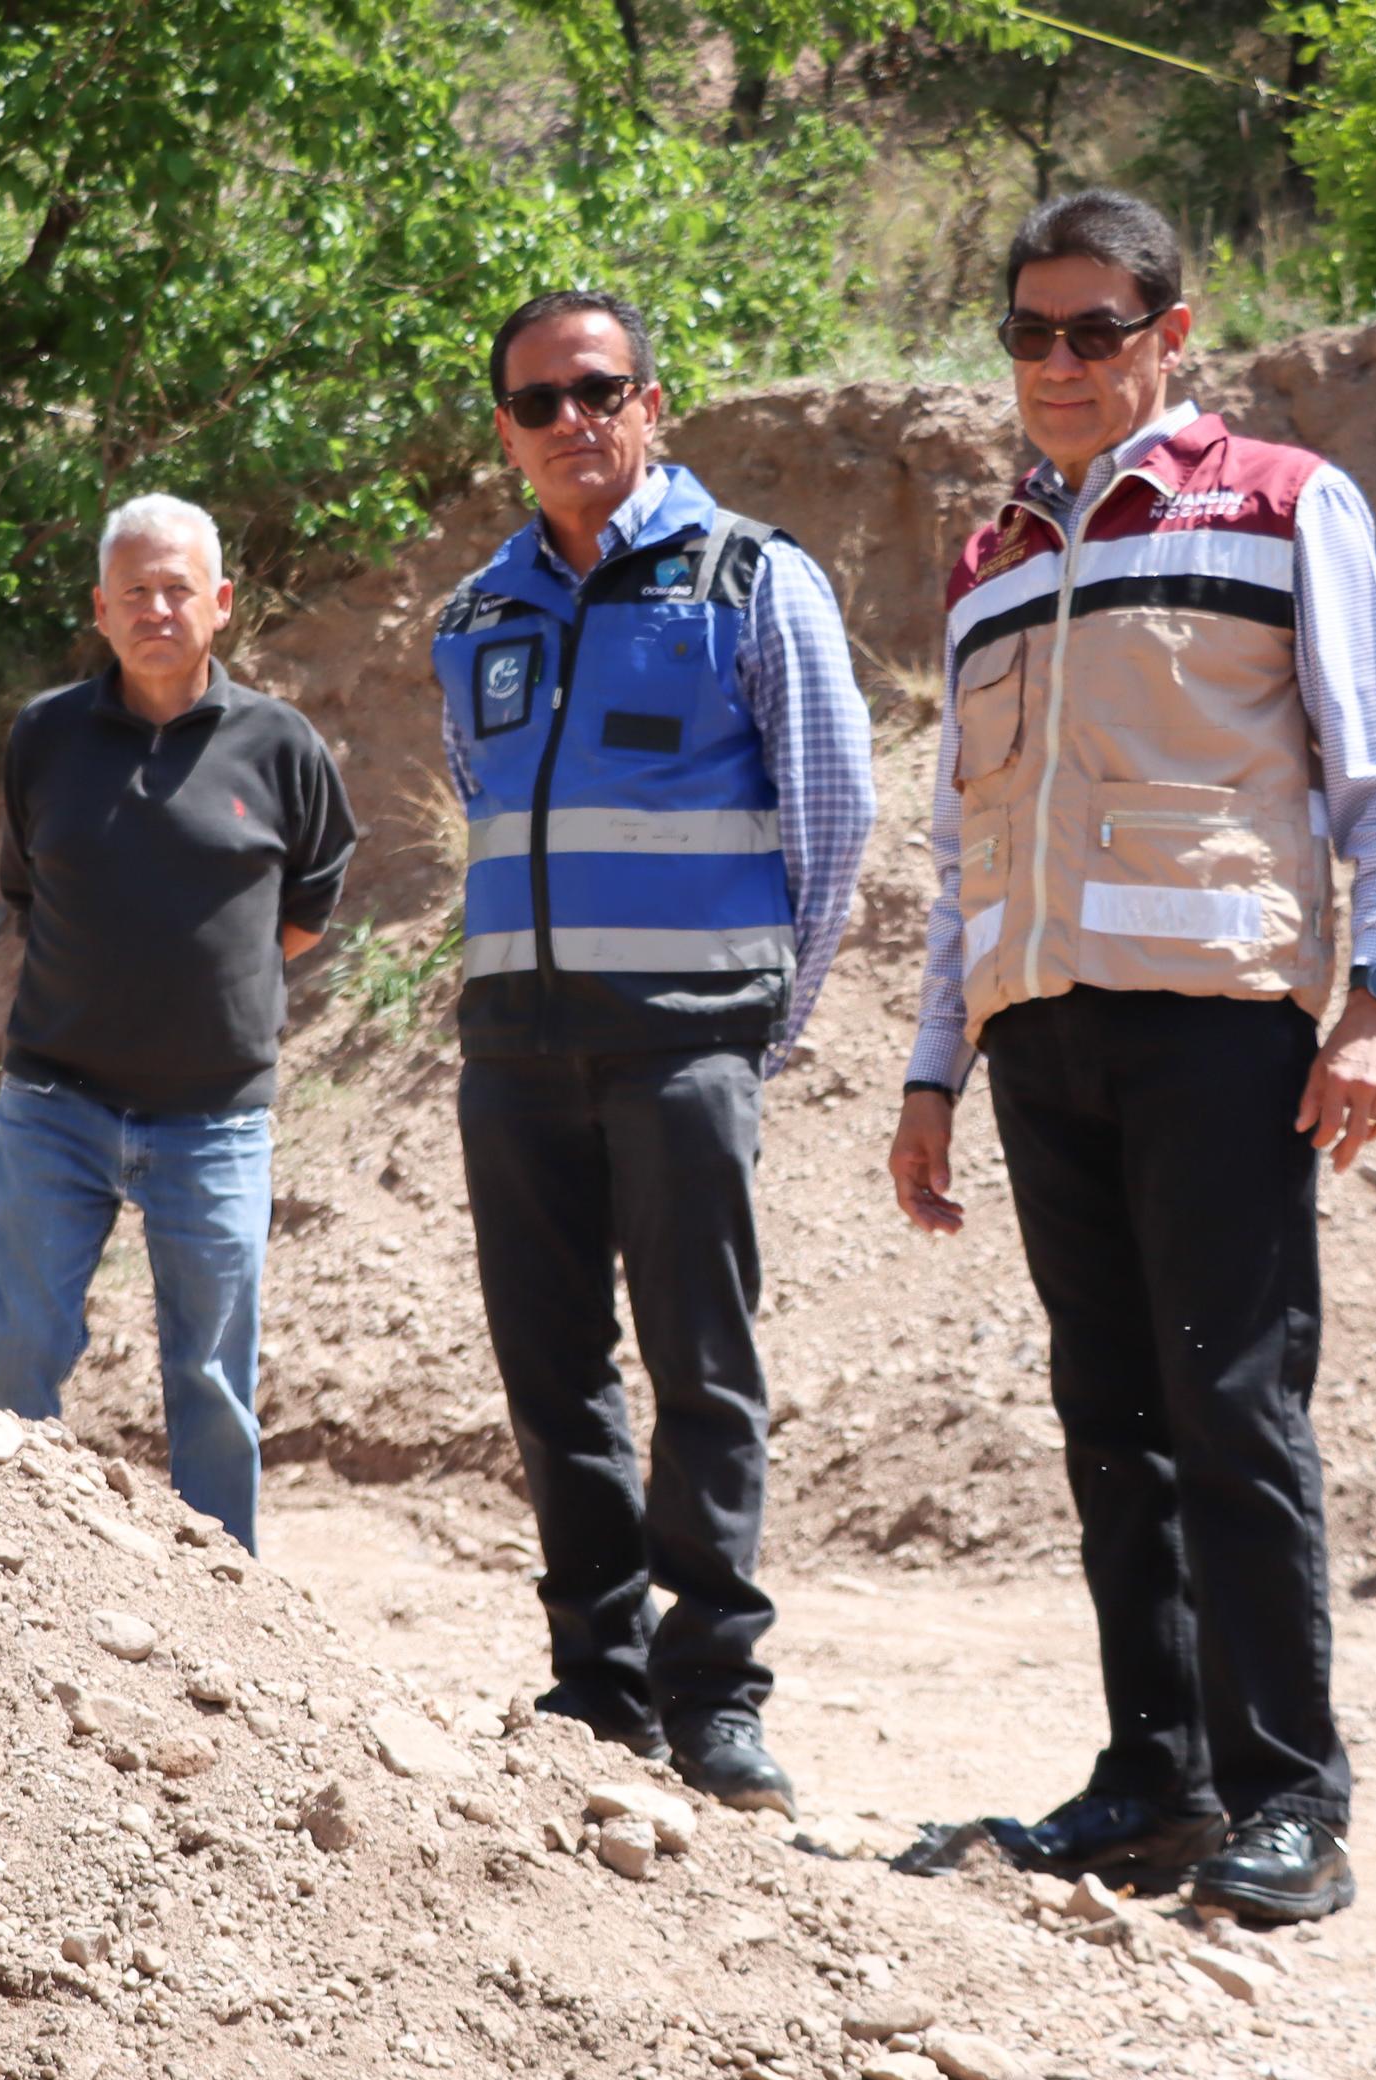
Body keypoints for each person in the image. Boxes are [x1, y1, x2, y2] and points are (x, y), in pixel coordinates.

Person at [883, 188, 1376, 1925]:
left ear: (1171, 334)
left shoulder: (1282, 503)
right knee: (1112, 1423)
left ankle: (1290, 1799)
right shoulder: (990, 562)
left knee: (1232, 1410)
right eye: (1029, 332)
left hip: (1217, 1027)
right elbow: (962, 849)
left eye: (1096, 330)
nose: (1058, 363)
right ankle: (1158, 1780)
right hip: (1040, 1038)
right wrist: (934, 1069)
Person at [434, 289, 877, 1813]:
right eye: (538, 403)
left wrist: (760, 1025)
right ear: (508, 432)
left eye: (598, 390)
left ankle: (714, 1695)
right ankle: (598, 1686)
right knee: (553, 1376)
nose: (571, 422)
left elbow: (834, 819)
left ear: (651, 403)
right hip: (516, 1051)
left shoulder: (750, 579)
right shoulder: (473, 618)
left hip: (688, 1043)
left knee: (703, 1368)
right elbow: (485, 804)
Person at [0, 492, 359, 1553]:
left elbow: (309, 902)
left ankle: (219, 1602)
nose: (157, 608)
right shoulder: (44, 736)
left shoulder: (280, 745)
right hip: (54, 1107)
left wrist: (216, 983)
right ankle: (9, 1578)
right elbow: (27, 890)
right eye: (134, 590)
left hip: (215, 1120)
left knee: (212, 1383)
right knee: (19, 1354)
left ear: (220, 603)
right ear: (100, 609)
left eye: (177, 588)